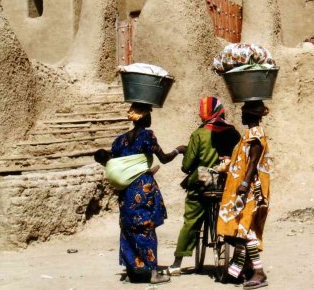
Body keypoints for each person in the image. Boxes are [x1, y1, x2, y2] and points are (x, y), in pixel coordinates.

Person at [110, 102, 184, 285]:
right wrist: (179, 150)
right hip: (142, 188)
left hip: (125, 190)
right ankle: (153, 274)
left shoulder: (119, 140)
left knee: (127, 228)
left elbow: (119, 165)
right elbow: (165, 159)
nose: (151, 118)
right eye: (149, 114)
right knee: (146, 227)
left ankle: (131, 272)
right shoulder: (147, 136)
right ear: (144, 117)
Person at [168, 96, 240, 276]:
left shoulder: (199, 134)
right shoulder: (233, 133)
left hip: (203, 183)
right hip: (226, 182)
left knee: (191, 220)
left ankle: (177, 264)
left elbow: (187, 166)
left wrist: (184, 155)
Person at [218, 100, 273, 289]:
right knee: (241, 229)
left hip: (250, 189)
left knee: (246, 230)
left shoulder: (256, 134)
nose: (240, 114)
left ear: (251, 114)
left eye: (243, 111)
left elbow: (254, 162)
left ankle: (259, 272)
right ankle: (246, 268)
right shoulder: (249, 134)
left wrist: (244, 182)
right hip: (243, 187)